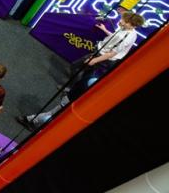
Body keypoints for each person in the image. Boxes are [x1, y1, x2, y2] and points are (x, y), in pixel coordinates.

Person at [16, 11, 144, 130]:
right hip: (99, 59)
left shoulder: (126, 37)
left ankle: (37, 121)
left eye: (124, 20)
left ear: (131, 24)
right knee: (75, 89)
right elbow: (114, 41)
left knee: (75, 93)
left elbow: (112, 53)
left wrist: (94, 61)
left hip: (101, 61)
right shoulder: (126, 32)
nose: (120, 21)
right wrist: (105, 30)